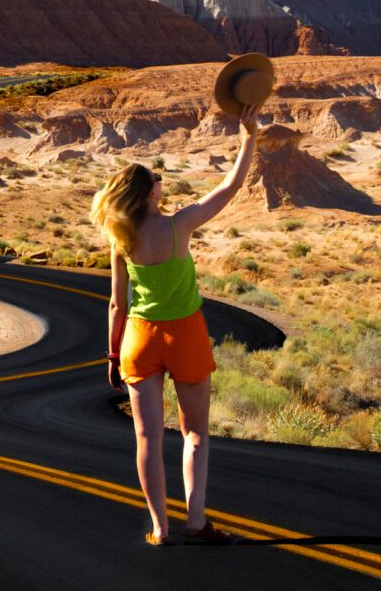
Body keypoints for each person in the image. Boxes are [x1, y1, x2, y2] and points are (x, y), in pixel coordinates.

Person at [90, 105, 261, 546]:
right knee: (195, 434)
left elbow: (116, 303)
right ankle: (197, 521)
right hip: (184, 334)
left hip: (140, 340)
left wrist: (112, 354)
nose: (162, 184)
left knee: (146, 437)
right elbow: (229, 187)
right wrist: (249, 137)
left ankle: (160, 528)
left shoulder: (120, 239)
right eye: (157, 180)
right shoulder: (179, 225)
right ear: (149, 192)